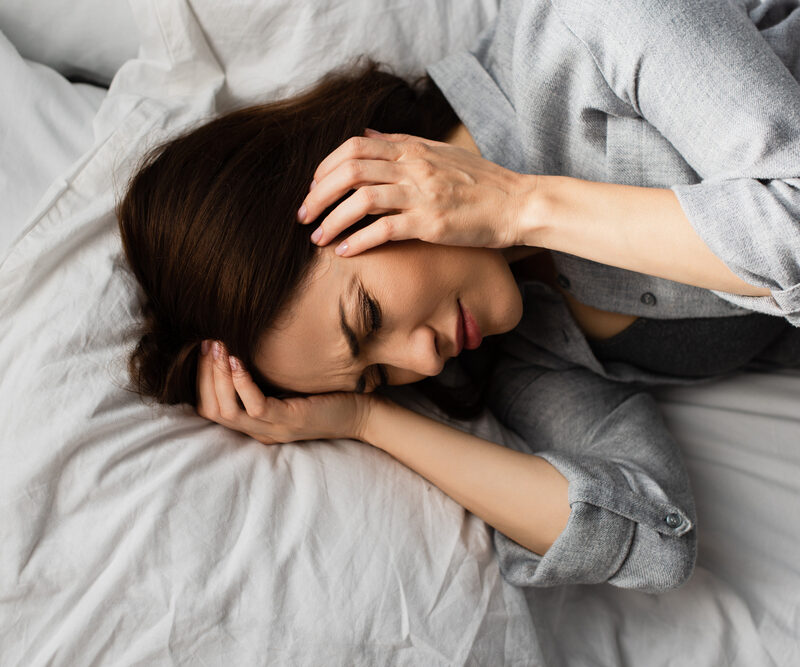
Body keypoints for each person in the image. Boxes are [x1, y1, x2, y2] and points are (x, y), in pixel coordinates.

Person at [116, 0, 800, 592]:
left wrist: (522, 206)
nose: (422, 361)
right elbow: (654, 539)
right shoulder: (526, 336)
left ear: (356, 171)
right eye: (380, 375)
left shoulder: (581, 29)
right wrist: (363, 420)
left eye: (368, 317)